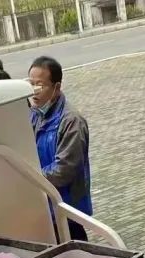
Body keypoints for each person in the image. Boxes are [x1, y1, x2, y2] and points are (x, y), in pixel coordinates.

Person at [28, 56, 92, 241]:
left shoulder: (71, 121)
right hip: (45, 205)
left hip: (68, 209)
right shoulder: (34, 114)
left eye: (40, 85)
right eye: (31, 84)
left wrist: (30, 179)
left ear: (56, 87)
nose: (34, 91)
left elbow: (64, 170)